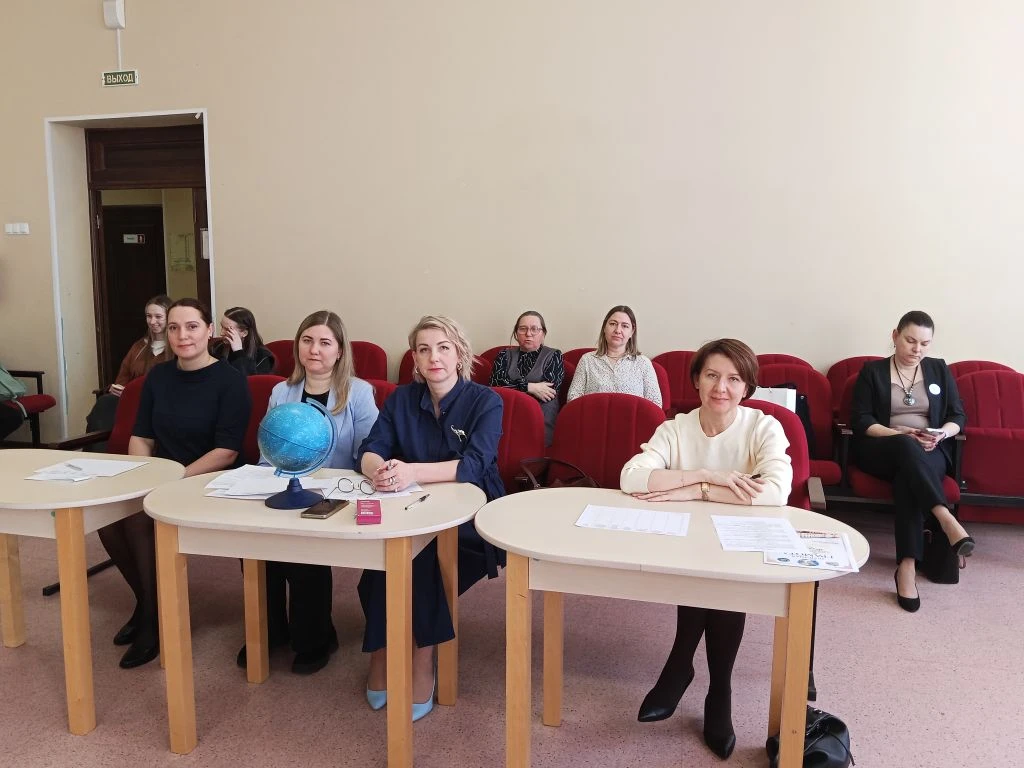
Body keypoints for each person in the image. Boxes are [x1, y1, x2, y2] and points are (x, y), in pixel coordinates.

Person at [620, 338, 792, 760]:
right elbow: (631, 477)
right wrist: (705, 475)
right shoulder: (676, 428)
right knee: (701, 564)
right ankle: (705, 684)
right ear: (696, 379)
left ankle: (697, 676)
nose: (721, 388)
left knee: (722, 574)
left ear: (747, 386)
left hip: (742, 541)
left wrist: (696, 491)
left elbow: (775, 491)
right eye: (712, 375)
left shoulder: (763, 426)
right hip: (686, 541)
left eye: (734, 379)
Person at [358, 315, 504, 721]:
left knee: (417, 558)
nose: (433, 357)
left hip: (473, 519)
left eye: (443, 348)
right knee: (384, 557)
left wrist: (410, 471)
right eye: (424, 350)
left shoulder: (485, 401)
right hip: (412, 509)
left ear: (459, 354)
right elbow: (371, 447)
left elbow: (474, 465)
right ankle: (383, 651)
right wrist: (378, 470)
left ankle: (419, 659)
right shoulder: (401, 399)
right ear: (415, 359)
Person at [99, 298, 251, 669]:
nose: (182, 335)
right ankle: (149, 603)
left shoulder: (230, 380)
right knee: (109, 519)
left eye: (192, 326)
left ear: (209, 330)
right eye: (174, 327)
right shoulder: (158, 378)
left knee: (138, 521)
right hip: (162, 477)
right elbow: (142, 436)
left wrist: (172, 480)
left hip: (210, 479)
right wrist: (140, 477)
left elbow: (226, 451)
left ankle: (153, 622)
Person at [239, 310, 379, 674]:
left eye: (324, 342)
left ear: (339, 350)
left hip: (336, 490)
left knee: (301, 548)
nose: (314, 349)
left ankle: (315, 637)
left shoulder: (359, 393)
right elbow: (269, 451)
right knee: (250, 540)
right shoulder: (281, 392)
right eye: (307, 340)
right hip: (283, 482)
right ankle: (268, 630)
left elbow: (369, 451)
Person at [851, 310, 971, 612]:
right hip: (882, 447)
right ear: (895, 336)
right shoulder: (872, 371)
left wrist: (940, 434)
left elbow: (957, 416)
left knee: (909, 477)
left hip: (930, 450)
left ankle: (906, 567)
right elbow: (861, 420)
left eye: (925, 344)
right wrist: (899, 433)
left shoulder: (939, 369)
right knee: (906, 447)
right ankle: (945, 517)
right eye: (910, 340)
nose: (917, 349)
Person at [84, 295, 173, 442]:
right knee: (105, 403)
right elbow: (123, 377)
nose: (152, 321)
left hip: (158, 401)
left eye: (158, 317)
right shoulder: (139, 346)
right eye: (149, 316)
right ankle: (96, 448)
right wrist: (117, 389)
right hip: (130, 400)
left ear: (170, 318)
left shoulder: (177, 347)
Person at [488, 310, 565, 443]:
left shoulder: (554, 355)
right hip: (504, 417)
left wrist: (511, 386)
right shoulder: (503, 355)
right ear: (516, 333)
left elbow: (548, 392)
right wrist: (530, 387)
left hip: (539, 420)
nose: (528, 334)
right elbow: (495, 386)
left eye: (534, 329)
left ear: (543, 334)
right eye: (523, 329)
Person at [567, 305, 662, 407]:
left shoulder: (643, 363)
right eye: (613, 324)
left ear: (632, 332)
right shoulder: (587, 360)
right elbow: (573, 398)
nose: (618, 330)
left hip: (633, 417)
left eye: (625, 326)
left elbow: (655, 403)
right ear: (604, 327)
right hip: (594, 416)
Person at [211, 306, 275, 376]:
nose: (221, 333)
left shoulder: (263, 357)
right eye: (222, 327)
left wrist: (238, 352)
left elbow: (249, 381)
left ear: (244, 333)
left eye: (227, 329)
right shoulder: (217, 347)